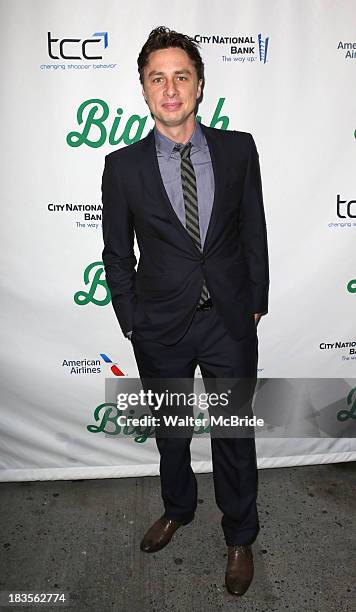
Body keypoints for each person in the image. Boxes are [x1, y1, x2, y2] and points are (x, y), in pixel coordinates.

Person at [101, 26, 269, 597]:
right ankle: (179, 507)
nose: (170, 89)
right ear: (144, 91)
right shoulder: (122, 167)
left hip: (228, 321)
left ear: (199, 86)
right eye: (157, 78)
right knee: (171, 432)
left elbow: (253, 231)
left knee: (233, 434)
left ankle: (239, 535)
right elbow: (117, 254)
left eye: (181, 76)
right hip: (161, 326)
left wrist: (255, 304)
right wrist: (131, 320)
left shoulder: (238, 148)